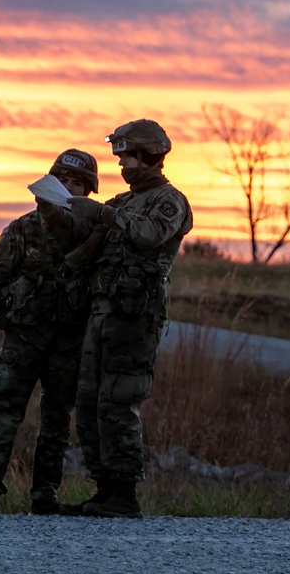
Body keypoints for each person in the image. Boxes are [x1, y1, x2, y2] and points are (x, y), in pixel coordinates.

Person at [62, 118, 193, 518]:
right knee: (88, 403)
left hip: (135, 316)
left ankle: (124, 495)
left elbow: (150, 235)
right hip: (101, 313)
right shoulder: (121, 201)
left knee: (119, 401)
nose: (121, 164)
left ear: (149, 156)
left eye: (127, 156)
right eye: (119, 157)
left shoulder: (168, 200)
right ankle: (104, 490)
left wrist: (103, 216)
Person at [0, 148, 99, 515]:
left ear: (88, 191)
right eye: (62, 179)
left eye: (77, 182)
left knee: (57, 423)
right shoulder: (23, 228)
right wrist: (4, 318)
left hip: (68, 342)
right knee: (4, 416)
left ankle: (45, 497)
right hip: (24, 338)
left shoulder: (92, 233)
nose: (68, 186)